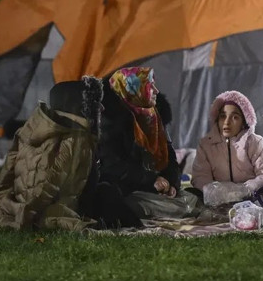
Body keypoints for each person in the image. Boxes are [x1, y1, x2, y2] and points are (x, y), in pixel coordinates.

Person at [0, 77, 106, 231]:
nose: (101, 108)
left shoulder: (28, 130)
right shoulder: (77, 138)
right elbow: (50, 185)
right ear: (80, 107)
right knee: (108, 193)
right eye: (94, 103)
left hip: (20, 204)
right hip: (46, 209)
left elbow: (4, 180)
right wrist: (26, 216)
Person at [81, 67, 193, 224]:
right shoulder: (111, 123)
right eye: (150, 86)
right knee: (138, 205)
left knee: (192, 200)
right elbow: (112, 166)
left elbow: (170, 158)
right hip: (126, 190)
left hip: (153, 190)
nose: (156, 90)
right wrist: (151, 180)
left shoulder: (153, 118)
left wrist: (170, 183)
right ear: (132, 89)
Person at [191, 90, 263, 201]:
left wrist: (244, 190)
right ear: (216, 120)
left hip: (250, 199)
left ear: (244, 122)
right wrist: (216, 192)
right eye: (223, 116)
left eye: (235, 117)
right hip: (217, 201)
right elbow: (200, 176)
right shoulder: (206, 145)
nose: (227, 122)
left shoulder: (255, 143)